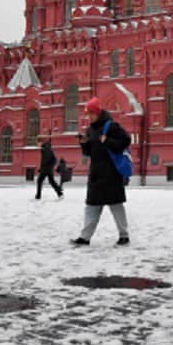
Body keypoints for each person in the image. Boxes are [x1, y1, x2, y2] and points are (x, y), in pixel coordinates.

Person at [72, 97, 131, 246]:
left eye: (91, 113)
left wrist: (108, 141)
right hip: (96, 174)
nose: (89, 117)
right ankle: (85, 237)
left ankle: (124, 235)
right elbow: (89, 152)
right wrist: (84, 143)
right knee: (91, 206)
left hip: (111, 174)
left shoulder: (111, 126)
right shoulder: (90, 130)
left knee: (116, 205)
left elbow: (126, 140)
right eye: (87, 114)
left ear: (98, 113)